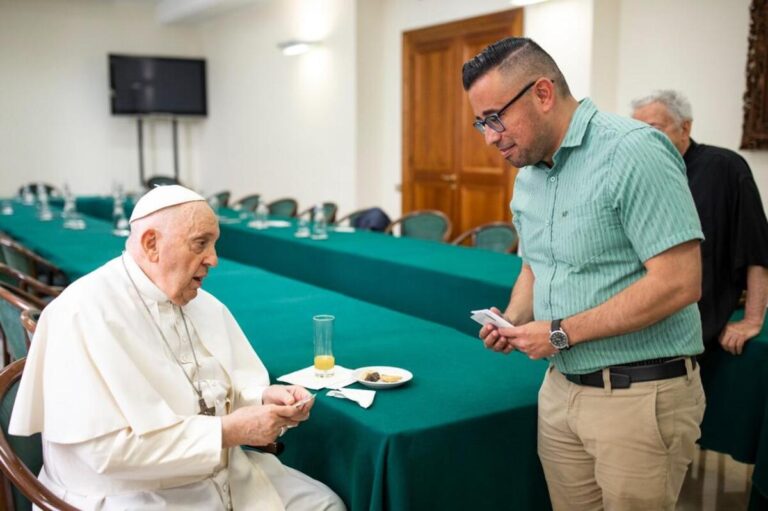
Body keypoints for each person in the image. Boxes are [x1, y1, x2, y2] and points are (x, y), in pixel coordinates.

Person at [463, 38, 706, 510]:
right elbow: (536, 265)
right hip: (561, 388)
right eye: (481, 123)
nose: (490, 137)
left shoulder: (633, 150)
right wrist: (512, 319)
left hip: (637, 395)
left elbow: (679, 281)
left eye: (495, 118)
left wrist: (559, 333)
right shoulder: (529, 175)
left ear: (542, 93)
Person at [9, 185, 345, 510]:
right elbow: (105, 454)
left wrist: (262, 399)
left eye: (214, 244)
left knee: (326, 504)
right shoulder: (81, 313)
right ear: (151, 243)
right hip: (130, 494)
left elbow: (215, 393)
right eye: (200, 243)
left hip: (218, 474)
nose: (213, 259)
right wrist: (228, 432)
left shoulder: (205, 305)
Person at [632, 90, 768, 355]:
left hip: (702, 326)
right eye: (636, 132)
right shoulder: (640, 175)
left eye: (654, 129)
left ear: (685, 127)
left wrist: (752, 320)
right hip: (648, 324)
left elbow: (756, 248)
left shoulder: (725, 168)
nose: (643, 140)